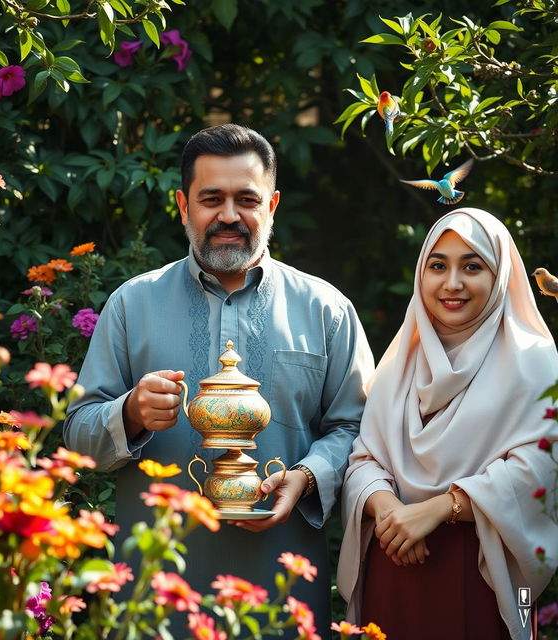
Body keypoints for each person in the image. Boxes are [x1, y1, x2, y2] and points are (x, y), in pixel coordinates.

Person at [64, 123, 374, 636]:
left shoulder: (326, 310)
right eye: (211, 198)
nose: (229, 215)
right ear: (183, 206)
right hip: (155, 597)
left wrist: (309, 475)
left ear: (272, 206)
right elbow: (77, 434)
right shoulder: (131, 304)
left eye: (246, 199)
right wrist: (131, 413)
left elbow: (360, 430)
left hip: (284, 591)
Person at [336, 208, 558, 640]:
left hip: (485, 570)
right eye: (438, 265)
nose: (452, 283)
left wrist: (440, 509)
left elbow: (541, 469)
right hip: (395, 562)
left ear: (499, 277)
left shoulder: (535, 362)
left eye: (472, 266)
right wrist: (392, 512)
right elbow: (364, 458)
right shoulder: (401, 361)